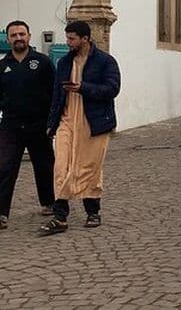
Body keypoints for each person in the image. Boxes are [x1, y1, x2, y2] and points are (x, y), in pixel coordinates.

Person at [38, 21, 120, 236]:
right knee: (61, 167)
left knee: (88, 168)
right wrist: (51, 124)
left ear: (85, 38)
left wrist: (83, 88)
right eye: (67, 38)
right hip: (67, 120)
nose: (68, 42)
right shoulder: (65, 62)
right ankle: (60, 216)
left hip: (94, 122)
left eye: (72, 38)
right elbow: (57, 93)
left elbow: (112, 89)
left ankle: (93, 211)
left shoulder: (105, 61)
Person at [0, 21, 56, 230]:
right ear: (8, 39)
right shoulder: (2, 66)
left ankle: (49, 203)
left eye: (22, 34)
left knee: (44, 165)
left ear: (29, 36)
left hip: (38, 124)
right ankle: (1, 213)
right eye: (13, 35)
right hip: (10, 126)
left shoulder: (42, 62)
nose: (18, 38)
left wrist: (53, 122)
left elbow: (54, 93)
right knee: (5, 167)